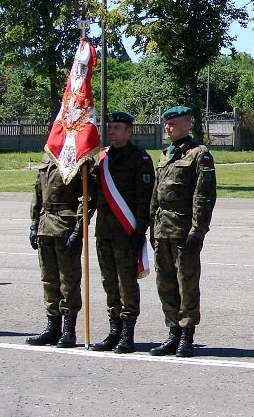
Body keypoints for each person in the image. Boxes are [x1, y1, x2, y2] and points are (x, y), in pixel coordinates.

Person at [149, 106, 217, 358]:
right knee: (165, 283)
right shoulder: (164, 155)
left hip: (183, 229)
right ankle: (172, 332)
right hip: (162, 228)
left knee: (186, 283)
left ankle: (186, 335)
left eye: (173, 124)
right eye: (166, 124)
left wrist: (198, 231)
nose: (168, 128)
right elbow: (156, 195)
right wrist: (151, 226)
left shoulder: (199, 155)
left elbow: (204, 197)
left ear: (186, 125)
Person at [89, 112, 155, 353]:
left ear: (129, 131)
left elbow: (144, 198)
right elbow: (92, 195)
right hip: (104, 232)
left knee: (126, 283)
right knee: (109, 283)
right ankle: (113, 330)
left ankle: (127, 333)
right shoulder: (101, 159)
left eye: (117, 128)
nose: (112, 132)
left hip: (126, 232)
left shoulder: (140, 159)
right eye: (110, 128)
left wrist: (139, 230)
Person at [26, 153, 94, 348]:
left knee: (68, 280)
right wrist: (33, 223)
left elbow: (86, 195)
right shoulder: (47, 158)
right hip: (45, 225)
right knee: (49, 279)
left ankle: (68, 330)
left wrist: (79, 227)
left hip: (66, 225)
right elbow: (38, 191)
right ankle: (52, 327)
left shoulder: (77, 159)